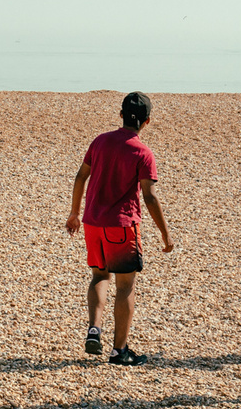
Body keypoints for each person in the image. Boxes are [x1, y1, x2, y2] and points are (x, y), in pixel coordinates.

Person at [65, 91, 176, 365]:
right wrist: (165, 233)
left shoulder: (100, 141)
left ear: (121, 115)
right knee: (126, 286)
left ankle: (94, 328)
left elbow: (81, 176)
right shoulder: (143, 152)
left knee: (99, 276)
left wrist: (74, 213)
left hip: (92, 222)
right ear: (147, 121)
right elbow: (149, 196)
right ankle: (119, 350)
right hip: (122, 225)